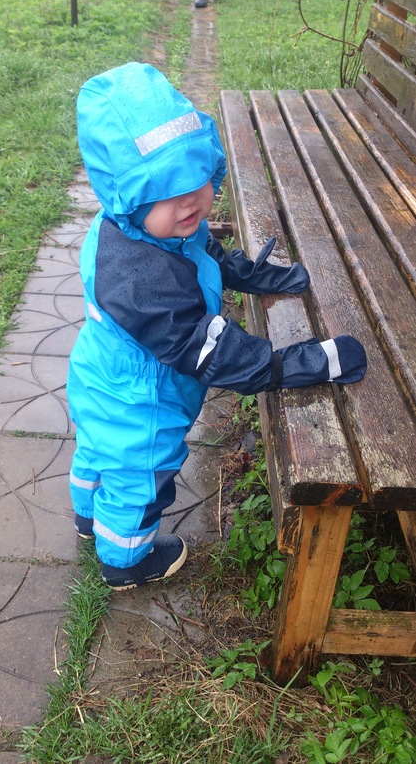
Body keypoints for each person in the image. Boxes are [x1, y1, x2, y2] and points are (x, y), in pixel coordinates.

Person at [67, 62, 367, 591]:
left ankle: (88, 517)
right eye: (165, 190)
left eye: (196, 177)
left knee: (98, 450)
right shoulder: (139, 277)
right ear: (125, 196)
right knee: (140, 478)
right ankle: (124, 560)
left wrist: (252, 274)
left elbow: (201, 250)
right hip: (142, 401)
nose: (189, 201)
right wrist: (296, 363)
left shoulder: (148, 228)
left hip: (101, 379)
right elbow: (210, 350)